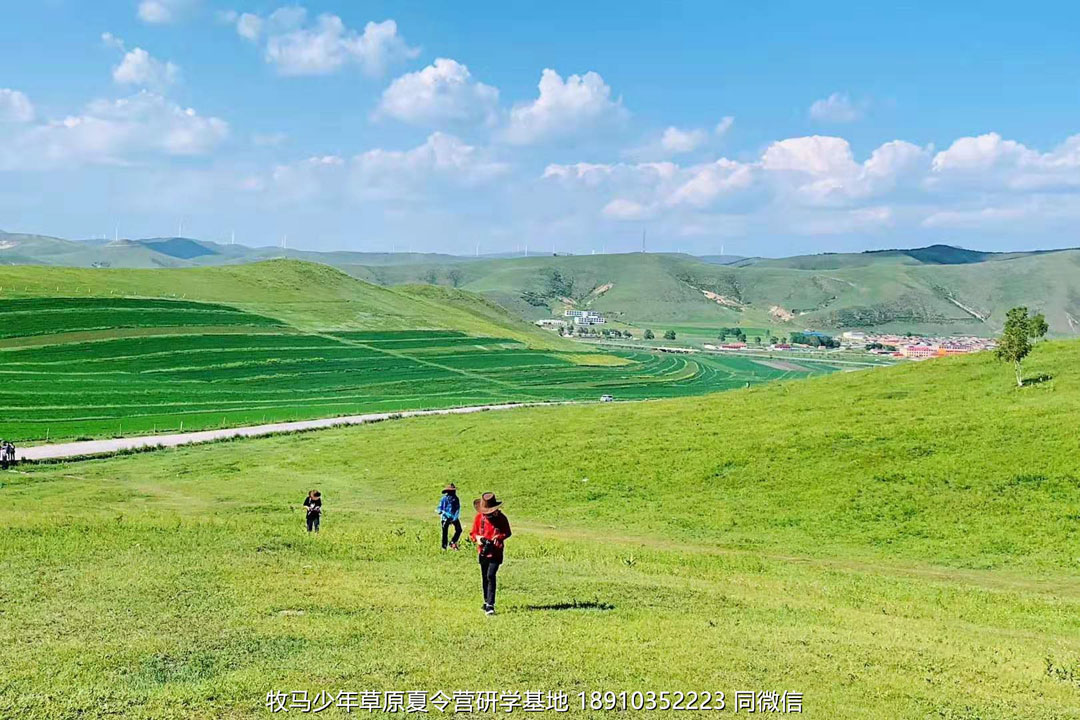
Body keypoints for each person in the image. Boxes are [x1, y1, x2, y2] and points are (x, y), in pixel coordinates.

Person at [469, 492, 511, 616]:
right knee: (484, 576)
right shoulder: (479, 518)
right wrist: (478, 538)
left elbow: (507, 532)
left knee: (490, 575)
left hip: (496, 552)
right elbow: (473, 533)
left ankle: (490, 604)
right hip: (483, 551)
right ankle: (486, 600)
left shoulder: (502, 518)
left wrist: (499, 537)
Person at [437, 483, 462, 550]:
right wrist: (442, 512)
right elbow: (439, 508)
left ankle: (453, 542)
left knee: (459, 530)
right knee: (445, 532)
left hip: (454, 517)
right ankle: (444, 547)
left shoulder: (456, 499)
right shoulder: (444, 499)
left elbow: (457, 508)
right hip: (445, 518)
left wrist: (455, 517)